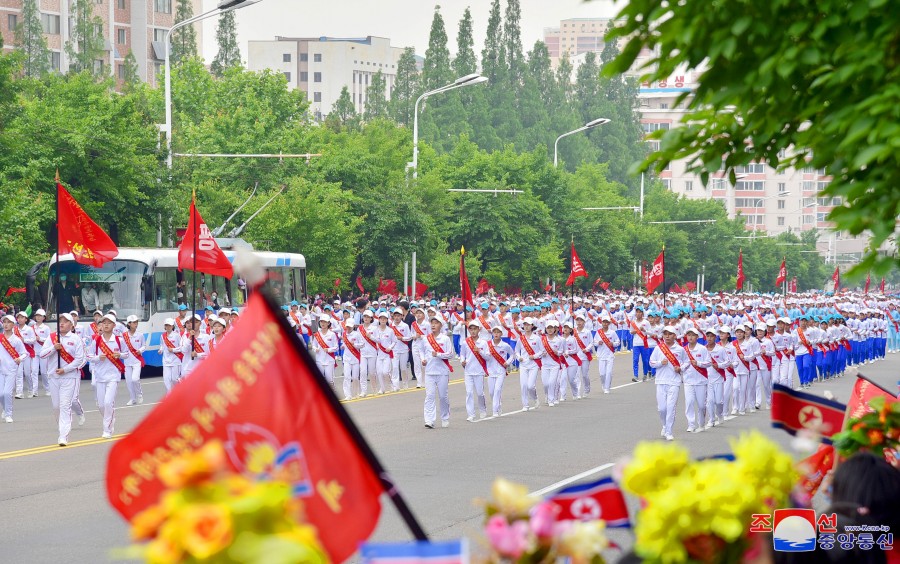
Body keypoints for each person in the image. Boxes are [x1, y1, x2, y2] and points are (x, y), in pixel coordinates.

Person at [39, 313, 86, 446]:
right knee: (56, 406)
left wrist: (65, 369)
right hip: (53, 376)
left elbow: (79, 359)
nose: (62, 324)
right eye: (60, 321)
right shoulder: (52, 338)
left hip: (69, 376)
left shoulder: (76, 339)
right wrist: (54, 348)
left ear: (71, 325)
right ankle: (62, 429)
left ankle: (63, 435)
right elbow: (42, 355)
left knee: (65, 405)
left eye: (65, 321)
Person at [88, 314, 128, 439]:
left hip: (113, 376)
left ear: (114, 325)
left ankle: (107, 430)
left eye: (109, 323)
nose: (105, 325)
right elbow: (89, 356)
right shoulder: (97, 340)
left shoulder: (119, 340)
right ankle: (111, 418)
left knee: (108, 402)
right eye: (103, 323)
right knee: (101, 405)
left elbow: (126, 354)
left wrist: (119, 355)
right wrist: (97, 358)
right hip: (100, 376)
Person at [648, 325, 688, 441]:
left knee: (671, 407)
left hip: (674, 381)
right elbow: (651, 362)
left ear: (675, 336)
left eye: (670, 334)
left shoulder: (680, 349)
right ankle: (664, 426)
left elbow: (687, 362)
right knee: (662, 408)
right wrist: (660, 363)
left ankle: (669, 431)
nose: (667, 336)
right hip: (661, 381)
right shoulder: (658, 348)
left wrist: (680, 368)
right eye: (665, 334)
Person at [418, 316, 453, 429]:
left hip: (442, 372)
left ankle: (445, 417)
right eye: (432, 323)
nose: (433, 325)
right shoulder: (426, 339)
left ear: (441, 325)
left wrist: (438, 354)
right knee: (430, 396)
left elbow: (451, 354)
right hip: (429, 371)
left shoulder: (445, 339)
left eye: (436, 323)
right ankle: (429, 420)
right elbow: (421, 350)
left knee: (443, 396)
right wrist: (423, 359)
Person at [682, 327, 711, 433]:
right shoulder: (683, 350)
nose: (690, 337)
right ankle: (691, 424)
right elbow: (680, 363)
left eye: (693, 335)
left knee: (702, 405)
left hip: (701, 380)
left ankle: (702, 423)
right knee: (689, 402)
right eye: (688, 335)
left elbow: (709, 362)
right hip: (688, 381)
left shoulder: (702, 349)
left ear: (697, 337)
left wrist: (698, 363)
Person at [459, 320, 489, 422]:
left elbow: (487, 357)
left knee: (480, 393)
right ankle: (471, 414)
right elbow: (462, 354)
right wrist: (462, 361)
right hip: (468, 371)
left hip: (479, 371)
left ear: (478, 329)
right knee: (469, 393)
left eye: (475, 329)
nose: (473, 331)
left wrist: (479, 351)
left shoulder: (483, 343)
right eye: (471, 329)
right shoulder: (465, 342)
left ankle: (482, 409)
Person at [0, 314, 27, 423]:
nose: (6, 325)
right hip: (1, 369)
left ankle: (8, 414)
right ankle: (5, 409)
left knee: (7, 393)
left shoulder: (16, 340)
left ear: (13, 325)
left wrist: (20, 359)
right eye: (4, 322)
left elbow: (25, 353)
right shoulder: (0, 338)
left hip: (11, 369)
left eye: (8, 322)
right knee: (1, 393)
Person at [485, 326, 514, 417]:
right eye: (494, 332)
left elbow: (512, 355)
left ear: (501, 334)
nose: (496, 334)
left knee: (497, 390)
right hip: (490, 371)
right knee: (491, 392)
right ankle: (498, 405)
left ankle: (495, 411)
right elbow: (483, 356)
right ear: (492, 333)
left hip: (501, 371)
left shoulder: (505, 345)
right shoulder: (487, 345)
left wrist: (507, 362)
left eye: (498, 332)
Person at [515, 317, 542, 411]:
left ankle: (535, 398)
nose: (526, 327)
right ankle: (525, 405)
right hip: (523, 365)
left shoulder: (537, 338)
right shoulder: (521, 339)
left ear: (532, 326)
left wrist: (534, 356)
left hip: (533, 364)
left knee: (530, 385)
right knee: (523, 385)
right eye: (525, 325)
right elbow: (517, 351)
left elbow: (542, 351)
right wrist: (519, 357)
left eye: (528, 325)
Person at [536, 319, 565, 407]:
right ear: (545, 329)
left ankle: (551, 399)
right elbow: (538, 351)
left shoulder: (559, 340)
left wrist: (558, 353)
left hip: (555, 364)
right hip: (544, 364)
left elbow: (561, 351)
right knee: (546, 384)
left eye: (552, 328)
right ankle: (547, 395)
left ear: (555, 329)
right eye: (548, 328)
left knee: (552, 382)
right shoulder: (542, 340)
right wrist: (542, 354)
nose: (550, 330)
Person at [122, 315, 146, 406]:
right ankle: (132, 398)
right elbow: (123, 349)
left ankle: (139, 394)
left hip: (137, 361)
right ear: (129, 324)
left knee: (135, 379)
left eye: (137, 322)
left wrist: (140, 350)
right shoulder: (124, 336)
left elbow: (144, 346)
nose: (136, 324)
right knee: (129, 381)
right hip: (127, 362)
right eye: (134, 322)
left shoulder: (140, 335)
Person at [593, 315, 620, 394]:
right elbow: (594, 342)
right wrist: (598, 343)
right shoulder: (598, 332)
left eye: (606, 322)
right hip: (601, 355)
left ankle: (607, 387)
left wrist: (613, 344)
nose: (605, 324)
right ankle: (603, 384)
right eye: (603, 322)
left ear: (609, 323)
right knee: (602, 373)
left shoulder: (612, 332)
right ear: (602, 323)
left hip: (610, 355)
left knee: (609, 372)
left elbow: (618, 342)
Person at [311, 317, 339, 390]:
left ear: (328, 323)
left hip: (329, 360)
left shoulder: (332, 334)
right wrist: (315, 349)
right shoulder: (317, 334)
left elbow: (336, 347)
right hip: (319, 360)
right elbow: (313, 345)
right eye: (321, 322)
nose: (323, 323)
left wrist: (329, 349)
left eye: (325, 322)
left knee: (329, 380)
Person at [13, 311, 36, 399]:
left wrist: (24, 340)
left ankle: (31, 389)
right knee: (18, 373)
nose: (20, 319)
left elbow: (33, 340)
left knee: (27, 373)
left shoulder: (29, 329)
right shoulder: (14, 329)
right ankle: (19, 392)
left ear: (26, 319)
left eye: (22, 317)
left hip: (27, 353)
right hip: (18, 354)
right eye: (18, 317)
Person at [341, 319, 365, 399]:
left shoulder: (357, 334)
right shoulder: (344, 334)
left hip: (355, 358)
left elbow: (362, 344)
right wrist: (343, 346)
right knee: (347, 377)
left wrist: (355, 344)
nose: (348, 328)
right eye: (347, 326)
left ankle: (356, 393)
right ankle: (347, 395)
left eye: (350, 327)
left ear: (353, 326)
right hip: (346, 358)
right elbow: (344, 343)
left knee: (355, 377)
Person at [180, 314, 210, 379]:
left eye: (196, 322)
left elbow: (209, 355)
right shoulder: (185, 336)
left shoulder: (206, 337)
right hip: (188, 370)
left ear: (200, 323)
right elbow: (183, 351)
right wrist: (189, 338)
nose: (194, 324)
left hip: (202, 369)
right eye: (192, 322)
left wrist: (197, 355)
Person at [389, 308, 413, 389]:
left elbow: (409, 337)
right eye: (395, 316)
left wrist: (402, 338)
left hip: (404, 349)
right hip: (394, 350)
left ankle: (405, 384)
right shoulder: (391, 326)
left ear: (402, 316)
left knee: (403, 368)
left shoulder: (405, 326)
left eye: (398, 316)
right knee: (395, 368)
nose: (396, 317)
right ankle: (395, 386)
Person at [31, 308, 51, 397]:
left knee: (43, 372)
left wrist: (40, 339)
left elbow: (49, 340)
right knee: (34, 371)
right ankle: (34, 391)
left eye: (40, 316)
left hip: (43, 352)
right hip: (34, 352)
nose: (38, 317)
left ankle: (47, 389)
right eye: (37, 316)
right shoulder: (31, 328)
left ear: (43, 317)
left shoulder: (46, 328)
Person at [159, 318, 183, 392]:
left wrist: (173, 350)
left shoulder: (177, 336)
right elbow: (162, 345)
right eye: (166, 325)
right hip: (166, 360)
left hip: (176, 360)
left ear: (172, 326)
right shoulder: (162, 336)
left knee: (174, 379)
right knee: (166, 379)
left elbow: (181, 347)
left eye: (169, 325)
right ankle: (169, 395)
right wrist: (160, 350)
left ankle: (180, 390)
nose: (168, 327)